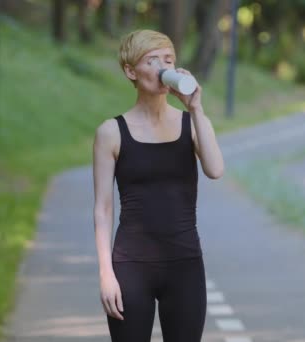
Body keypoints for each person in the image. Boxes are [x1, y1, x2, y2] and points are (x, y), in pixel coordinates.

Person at [92, 29, 224, 342]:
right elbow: (103, 208)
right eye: (151, 61)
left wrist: (196, 108)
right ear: (130, 71)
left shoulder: (191, 123)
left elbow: (216, 169)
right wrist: (105, 274)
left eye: (168, 60)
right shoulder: (111, 132)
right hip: (131, 266)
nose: (162, 68)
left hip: (185, 265)